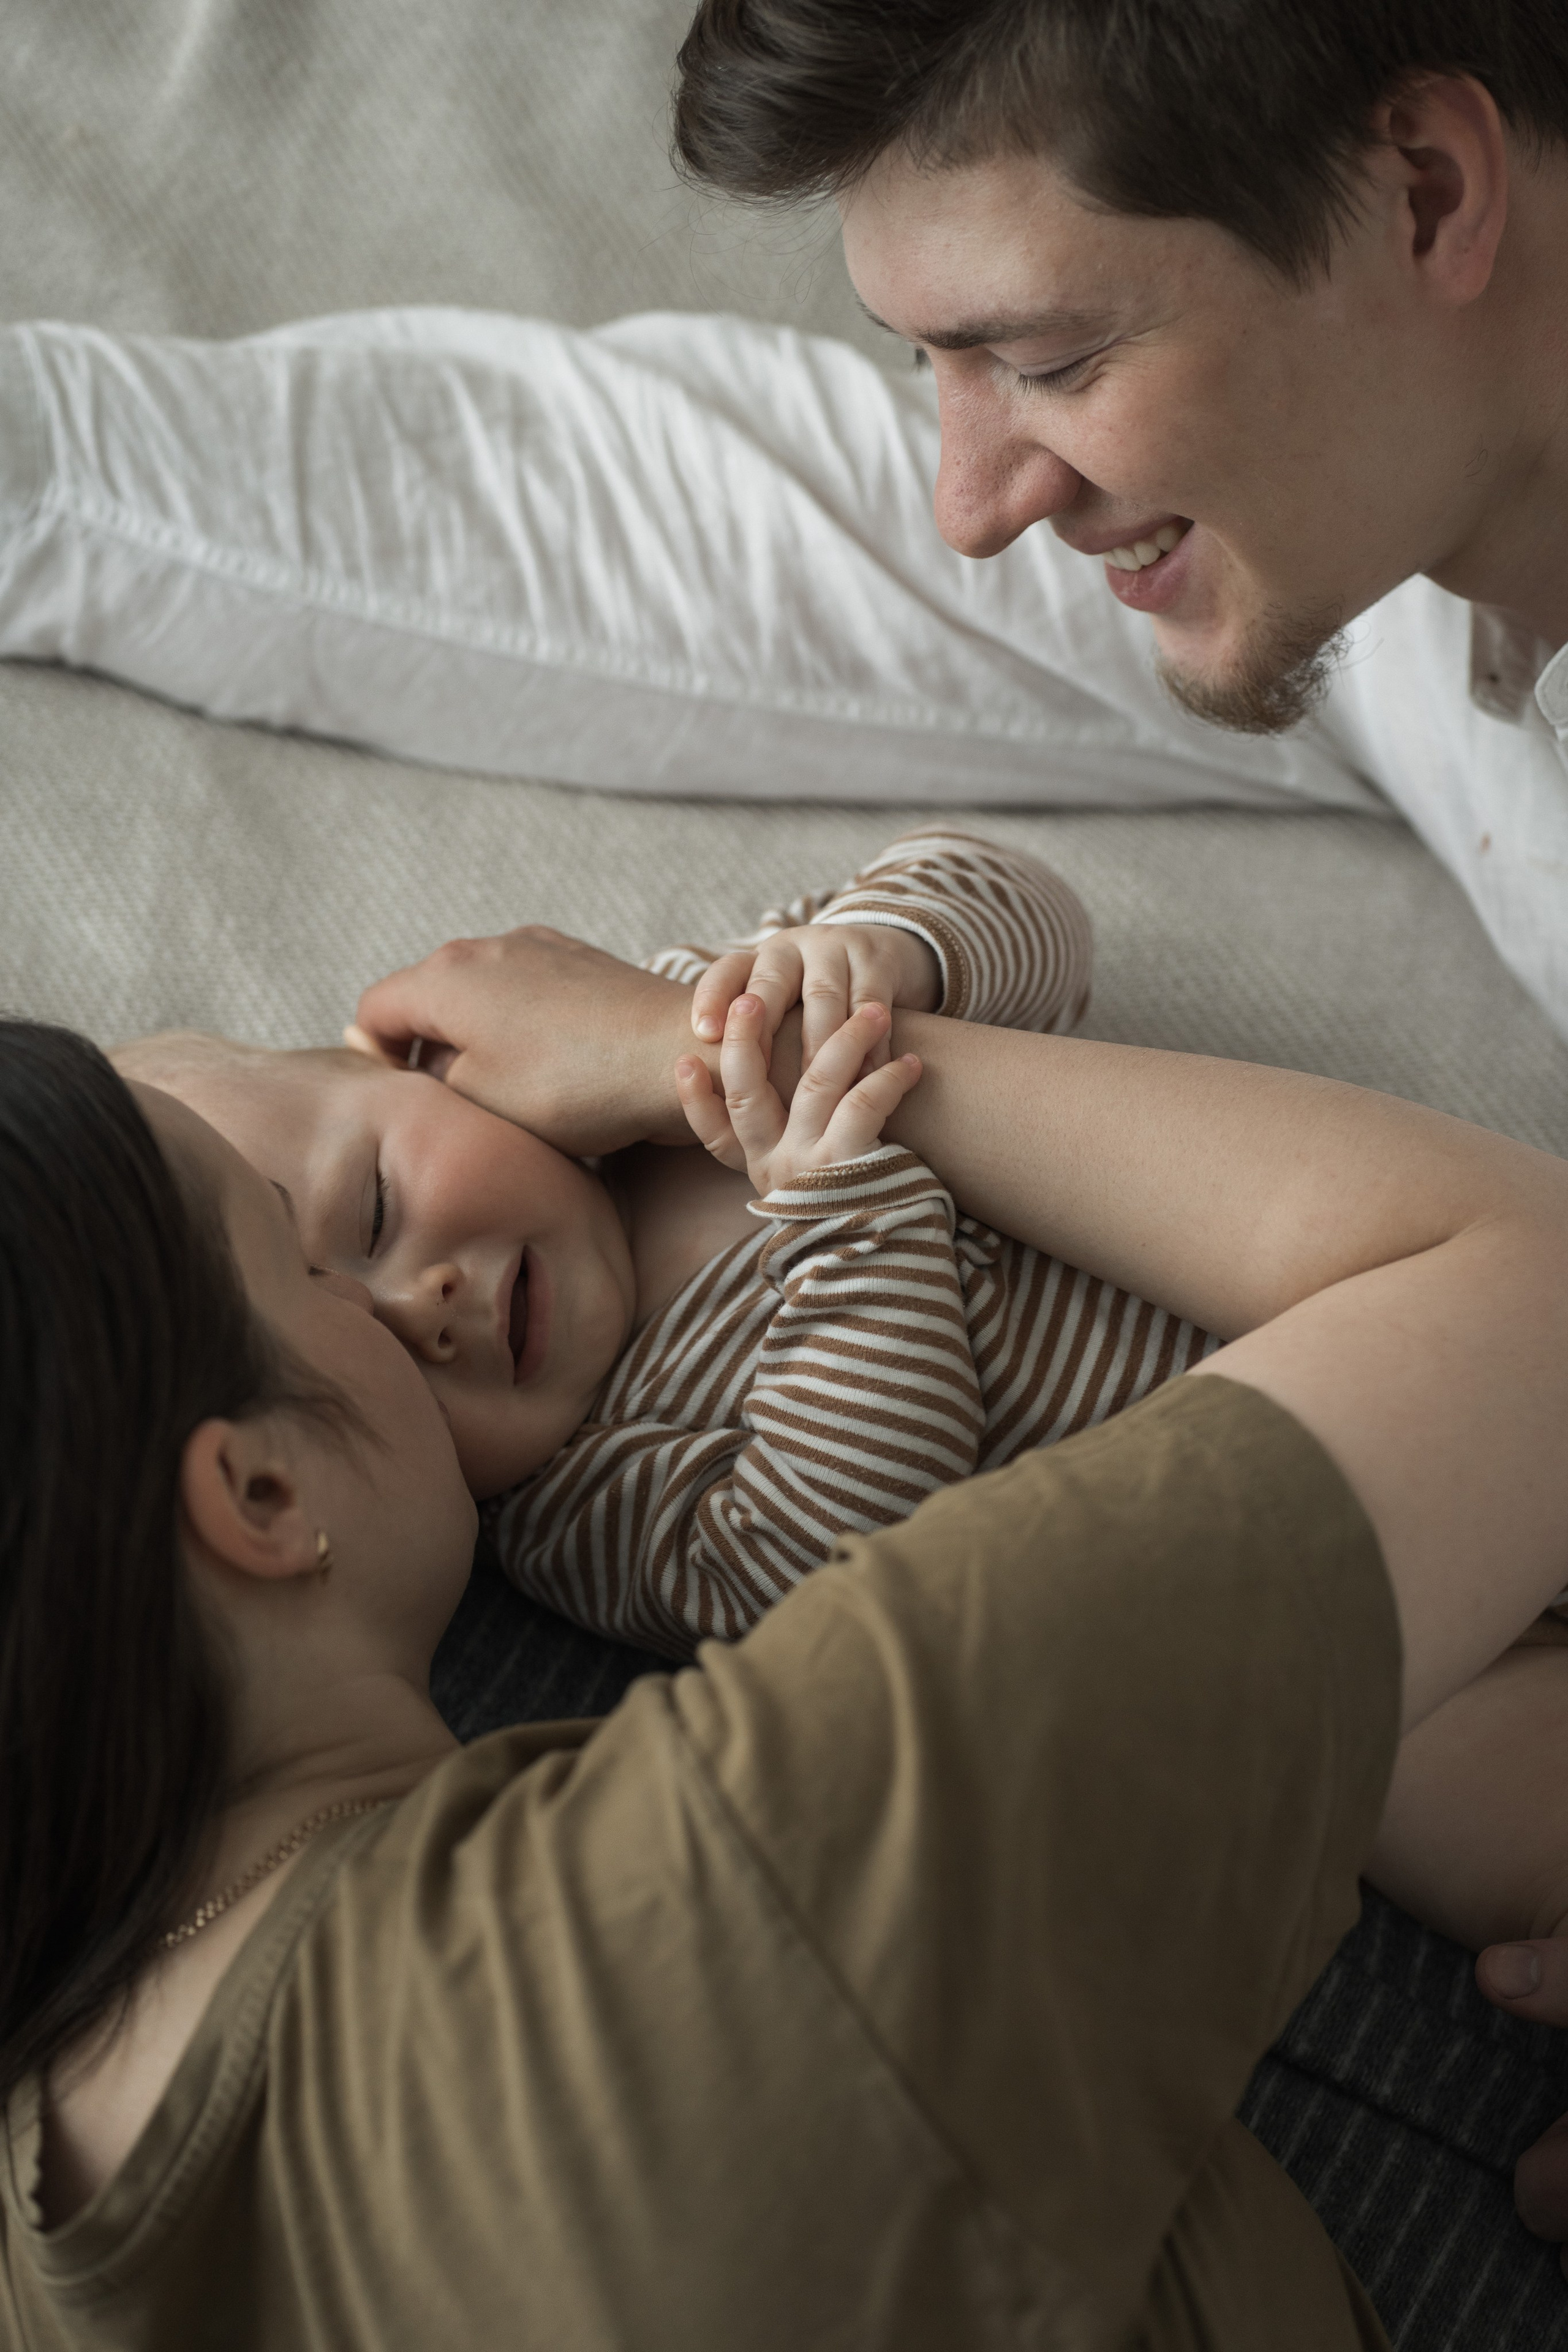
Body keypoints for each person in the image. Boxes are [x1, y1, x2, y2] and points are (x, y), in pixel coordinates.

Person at [3, 998, 1568, 2350]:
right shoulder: (736, 1876)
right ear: (262, 1496)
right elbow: (1535, 1282)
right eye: (297, 1266)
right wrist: (702, 1041)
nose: (396, 1306)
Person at [0, 2, 1566, 1031]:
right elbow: (656, 524)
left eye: (1047, 362)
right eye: (933, 364)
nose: (967, 510)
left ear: (1423, 192)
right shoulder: (1358, 512)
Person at [118, 830, 1219, 1656]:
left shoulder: (680, 1016)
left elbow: (1042, 923)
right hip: (1232, 1483)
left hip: (1233, 1179)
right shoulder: (573, 1495)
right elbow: (826, 1575)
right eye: (373, 1371)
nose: (419, 1309)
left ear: (426, 1064)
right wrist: (848, 1220)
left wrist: (886, 957)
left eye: (372, 1210)